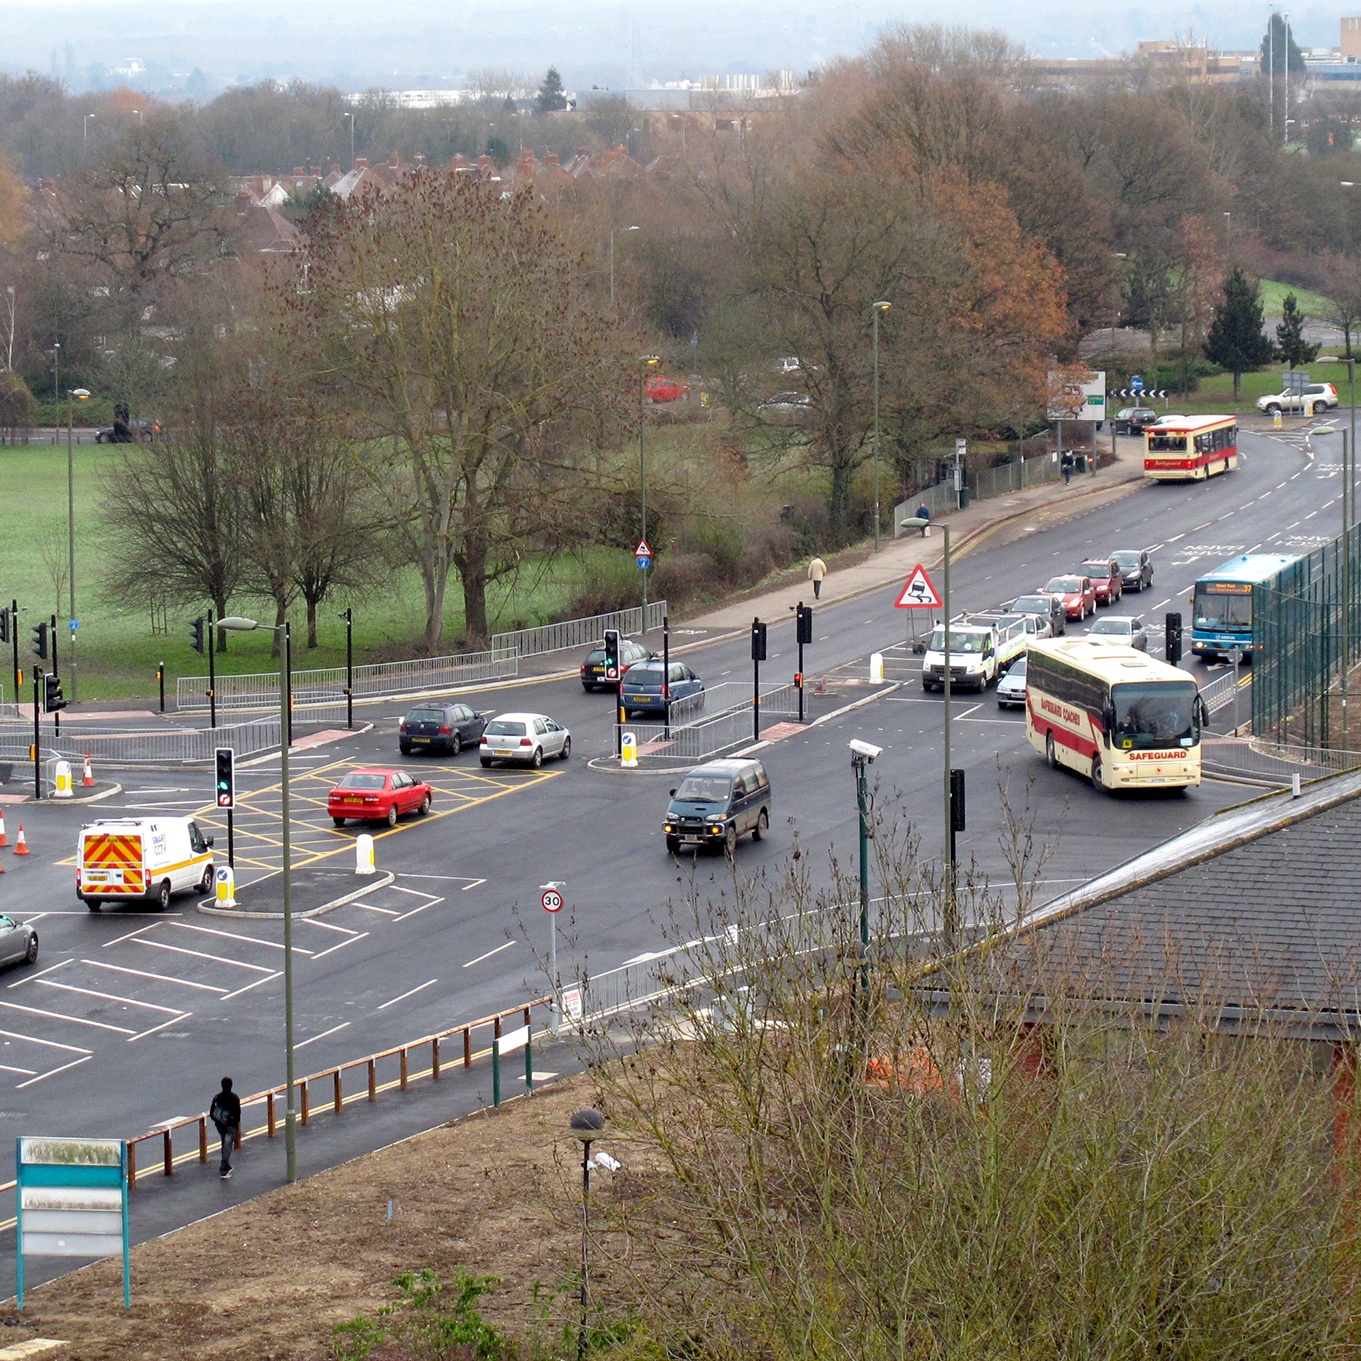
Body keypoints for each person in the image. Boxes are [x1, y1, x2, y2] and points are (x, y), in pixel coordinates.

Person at [209, 1076, 241, 1180]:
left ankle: (226, 1165)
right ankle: (223, 1170)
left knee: (224, 1144)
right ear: (231, 1086)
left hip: (220, 1125)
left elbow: (212, 1112)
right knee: (227, 1146)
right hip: (230, 1126)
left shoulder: (217, 1097)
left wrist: (218, 1121)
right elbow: (237, 1114)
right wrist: (235, 1124)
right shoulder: (234, 1098)